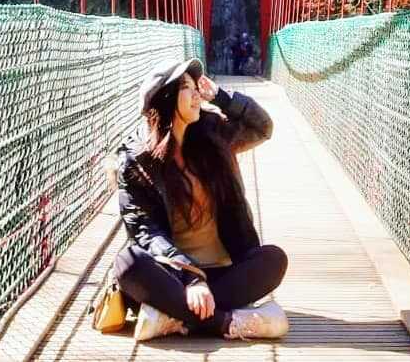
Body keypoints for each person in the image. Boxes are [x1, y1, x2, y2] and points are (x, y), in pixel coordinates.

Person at [112, 57, 289, 342]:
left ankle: (173, 316)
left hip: (223, 274)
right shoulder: (137, 162)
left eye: (197, 86)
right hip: (170, 277)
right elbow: (146, 232)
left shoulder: (213, 136)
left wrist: (221, 97)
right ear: (166, 98)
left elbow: (261, 127)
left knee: (273, 259)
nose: (196, 93)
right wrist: (190, 277)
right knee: (128, 263)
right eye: (186, 87)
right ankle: (227, 322)